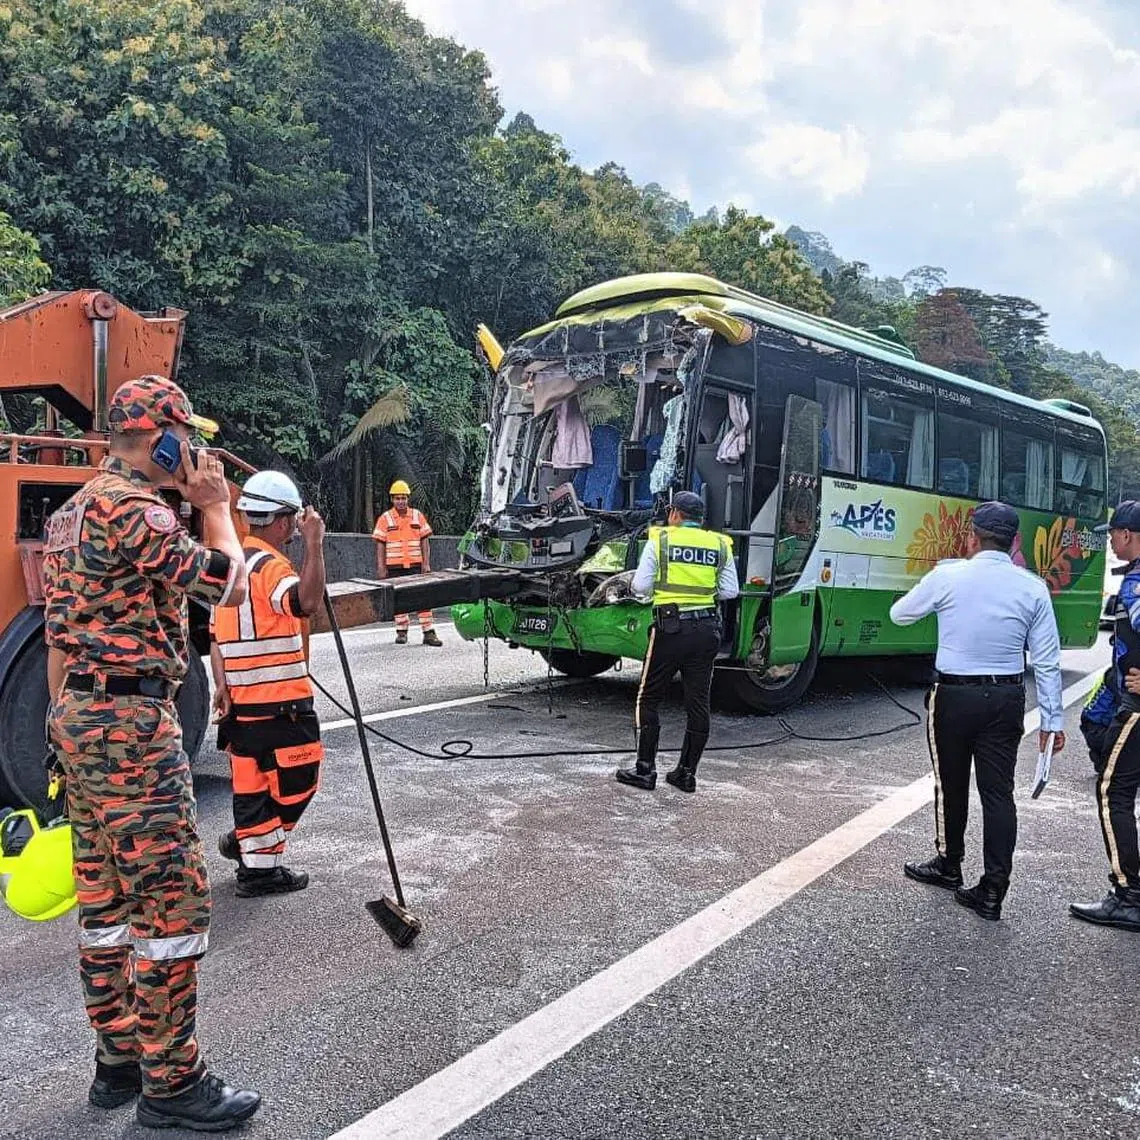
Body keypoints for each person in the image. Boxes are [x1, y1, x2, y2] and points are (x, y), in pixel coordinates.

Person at [42, 375, 261, 1131]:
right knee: (170, 903)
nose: (195, 451)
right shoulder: (134, 508)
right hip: (130, 722)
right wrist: (215, 508)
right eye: (187, 438)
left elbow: (53, 635)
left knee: (105, 903)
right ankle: (174, 1084)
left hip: (78, 714)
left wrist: (58, 729)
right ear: (163, 436)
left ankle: (118, 1063)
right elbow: (224, 586)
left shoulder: (73, 513)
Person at [890, 501, 1065, 923]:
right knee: (997, 793)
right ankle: (992, 891)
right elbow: (1046, 659)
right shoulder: (1032, 587)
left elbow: (900, 615)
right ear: (1015, 542)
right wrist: (1052, 721)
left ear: (971, 538)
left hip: (953, 696)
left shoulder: (949, 574)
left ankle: (950, 864)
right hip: (1006, 699)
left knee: (951, 783)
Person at [209, 470, 326, 897]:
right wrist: (315, 545)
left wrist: (221, 685)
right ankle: (250, 846)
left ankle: (257, 870)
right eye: (293, 520)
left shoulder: (231, 568)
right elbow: (306, 602)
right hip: (279, 706)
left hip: (241, 708)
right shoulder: (269, 566)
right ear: (280, 520)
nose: (295, 527)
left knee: (253, 787)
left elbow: (216, 638)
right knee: (299, 780)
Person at [615, 490, 739, 794]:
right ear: (700, 518)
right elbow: (730, 591)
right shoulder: (720, 544)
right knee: (698, 702)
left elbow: (642, 586)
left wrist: (646, 591)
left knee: (649, 697)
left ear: (674, 514)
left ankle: (645, 769)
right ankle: (686, 773)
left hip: (670, 629)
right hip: (707, 630)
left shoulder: (661, 540)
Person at [1071, 501, 1140, 932]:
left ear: (1129, 535)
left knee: (1112, 791)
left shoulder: (1136, 586)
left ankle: (1128, 894)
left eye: (1114, 533)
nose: (1111, 541)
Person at [372, 479, 442, 646]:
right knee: (399, 599)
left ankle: (428, 632)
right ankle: (402, 631)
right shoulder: (385, 518)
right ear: (392, 499)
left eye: (403, 498)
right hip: (394, 566)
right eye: (397, 498)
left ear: (408, 499)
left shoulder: (417, 516)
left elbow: (425, 541)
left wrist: (426, 564)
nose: (401, 501)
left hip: (415, 565)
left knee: (424, 597)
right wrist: (381, 568)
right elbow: (380, 544)